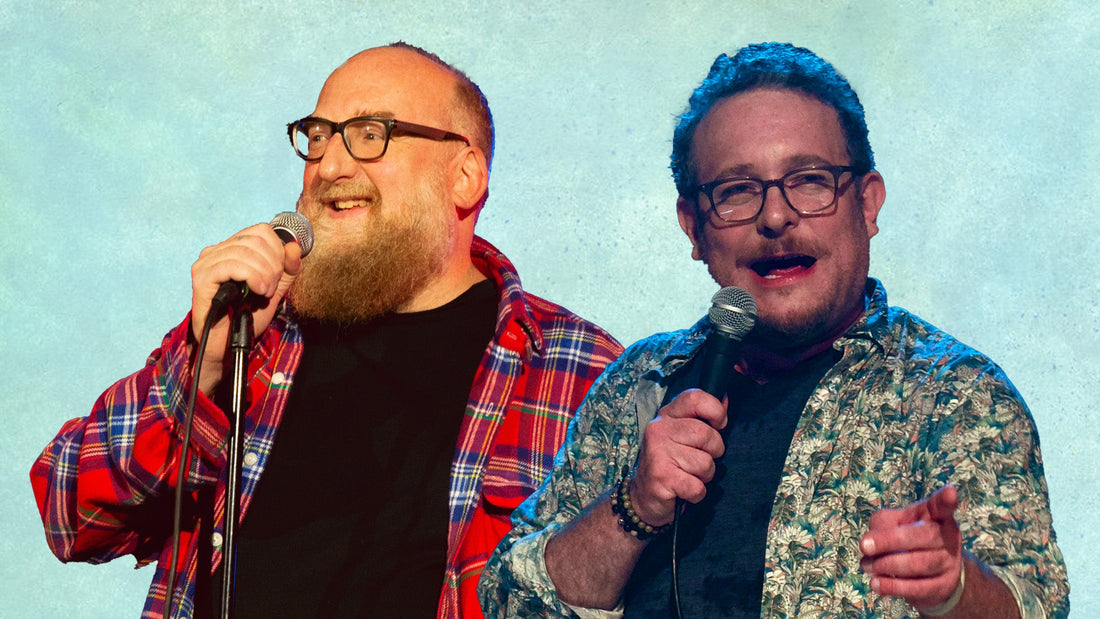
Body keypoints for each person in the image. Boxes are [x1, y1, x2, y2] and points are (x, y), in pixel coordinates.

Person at [30, 42, 622, 618]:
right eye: (319, 137)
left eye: (371, 135)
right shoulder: (249, 334)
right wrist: (203, 367)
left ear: (464, 175)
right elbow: (69, 515)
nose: (330, 166)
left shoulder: (582, 372)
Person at [479, 42, 1068, 618]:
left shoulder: (954, 394)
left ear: (867, 204)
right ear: (693, 228)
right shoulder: (637, 384)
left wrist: (954, 589)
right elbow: (508, 598)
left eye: (809, 180)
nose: (776, 216)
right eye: (737, 192)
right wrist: (633, 507)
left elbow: (1034, 607)